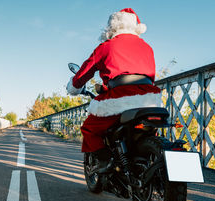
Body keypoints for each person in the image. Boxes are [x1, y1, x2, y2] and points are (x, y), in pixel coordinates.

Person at [66, 8, 162, 171]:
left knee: (89, 128)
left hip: (120, 98)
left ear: (111, 27)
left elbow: (82, 74)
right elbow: (148, 76)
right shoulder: (147, 47)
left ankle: (105, 160)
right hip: (149, 99)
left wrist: (74, 87)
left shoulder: (106, 46)